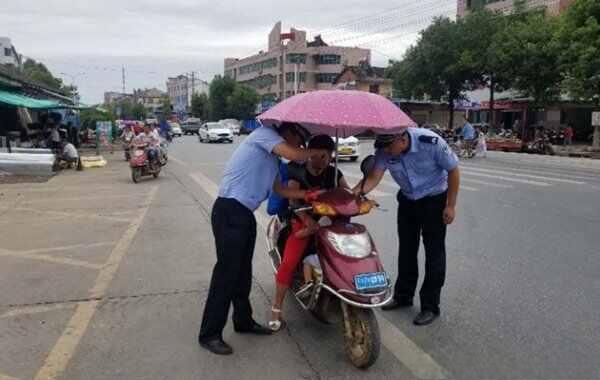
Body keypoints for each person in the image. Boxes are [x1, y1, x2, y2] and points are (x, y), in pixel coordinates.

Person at [198, 123, 329, 356]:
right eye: (299, 140)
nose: (299, 145)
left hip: (244, 213)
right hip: (229, 210)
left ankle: (243, 321)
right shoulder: (264, 135)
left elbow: (279, 189)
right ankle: (209, 334)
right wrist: (316, 151)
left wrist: (306, 194)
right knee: (226, 274)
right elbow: (294, 155)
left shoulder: (274, 159)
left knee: (242, 272)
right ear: (289, 132)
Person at [355, 127, 460, 326]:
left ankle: (430, 306)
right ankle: (403, 296)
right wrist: (352, 195)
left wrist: (451, 205)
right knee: (406, 250)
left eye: (388, 148)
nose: (385, 152)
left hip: (434, 200)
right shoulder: (385, 150)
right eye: (383, 149)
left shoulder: (430, 142)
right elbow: (373, 178)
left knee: (434, 253)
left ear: (401, 140)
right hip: (407, 201)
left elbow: (453, 170)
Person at [268, 135, 350, 331]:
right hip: (302, 221)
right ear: (309, 154)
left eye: (325, 156)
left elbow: (347, 194)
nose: (320, 161)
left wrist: (359, 199)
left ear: (331, 156)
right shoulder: (298, 173)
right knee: (288, 262)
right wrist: (309, 221)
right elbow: (293, 201)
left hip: (330, 223)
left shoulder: (334, 173)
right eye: (316, 156)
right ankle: (276, 308)